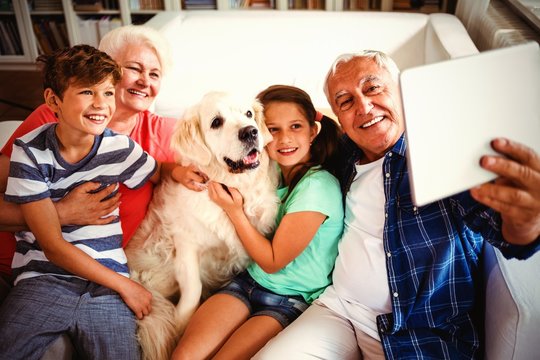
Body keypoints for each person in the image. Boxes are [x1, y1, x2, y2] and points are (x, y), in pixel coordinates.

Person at [254, 51, 540, 359]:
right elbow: (275, 131)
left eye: (373, 88)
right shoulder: (343, 154)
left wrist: (528, 222)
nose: (363, 106)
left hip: (418, 334)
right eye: (346, 101)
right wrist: (196, 169)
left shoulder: (441, 156)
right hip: (337, 309)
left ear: (402, 92)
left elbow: (506, 230)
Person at [0, 24, 198, 300]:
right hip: (24, 272)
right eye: (134, 68)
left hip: (100, 282)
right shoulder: (52, 119)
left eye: (154, 74)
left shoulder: (163, 133)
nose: (145, 81)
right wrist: (61, 213)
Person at [0, 45, 158, 359]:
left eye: (108, 93)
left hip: (106, 290)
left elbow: (157, 173)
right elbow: (52, 245)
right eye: (87, 92)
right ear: (53, 101)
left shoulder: (119, 148)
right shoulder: (30, 151)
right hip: (44, 279)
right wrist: (127, 286)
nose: (101, 104)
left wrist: (182, 172)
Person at [171, 85, 345, 360]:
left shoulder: (318, 187)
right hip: (247, 282)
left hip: (289, 298)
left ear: (313, 132)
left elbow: (272, 261)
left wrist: (234, 211)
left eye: (296, 127)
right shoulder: (273, 172)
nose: (284, 138)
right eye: (273, 129)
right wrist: (177, 170)